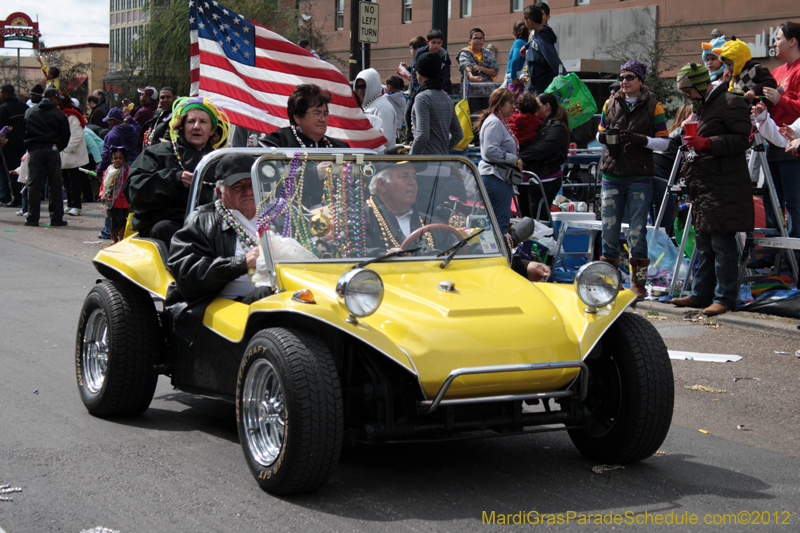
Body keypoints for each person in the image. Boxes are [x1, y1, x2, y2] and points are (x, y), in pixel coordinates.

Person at [670, 63, 753, 316]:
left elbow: (742, 139)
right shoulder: (703, 107)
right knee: (704, 243)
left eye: (687, 89)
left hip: (724, 184)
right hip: (705, 185)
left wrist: (706, 142)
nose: (686, 95)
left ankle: (725, 298)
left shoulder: (730, 102)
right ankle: (700, 294)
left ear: (699, 84)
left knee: (722, 243)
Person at [167, 153, 273, 342]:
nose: (248, 191)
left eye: (252, 184)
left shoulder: (279, 216)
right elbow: (186, 275)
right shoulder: (202, 220)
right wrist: (243, 262)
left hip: (285, 297)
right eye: (238, 186)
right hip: (226, 311)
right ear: (220, 191)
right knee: (266, 294)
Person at [596, 59, 669, 300]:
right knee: (608, 229)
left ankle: (638, 284)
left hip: (639, 176)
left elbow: (664, 142)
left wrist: (642, 139)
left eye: (629, 77)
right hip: (611, 174)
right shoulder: (610, 102)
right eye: (622, 77)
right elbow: (599, 133)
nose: (624, 82)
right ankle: (611, 282)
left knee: (637, 231)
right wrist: (606, 138)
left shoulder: (654, 106)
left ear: (640, 80)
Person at [127, 96, 230, 245]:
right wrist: (173, 179)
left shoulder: (221, 161)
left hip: (212, 227)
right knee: (167, 229)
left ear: (212, 130)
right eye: (191, 121)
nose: (196, 126)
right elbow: (134, 191)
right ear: (181, 126)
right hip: (169, 230)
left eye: (203, 122)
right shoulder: (158, 153)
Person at [751, 22, 800, 270]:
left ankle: (794, 257)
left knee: (794, 202)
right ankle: (771, 253)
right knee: (771, 200)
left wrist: (783, 100)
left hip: (794, 145)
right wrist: (761, 106)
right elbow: (772, 104)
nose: (774, 43)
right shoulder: (778, 71)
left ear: (793, 41)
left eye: (778, 38)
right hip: (772, 143)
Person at [262, 84, 349, 206]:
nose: (323, 119)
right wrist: (313, 174)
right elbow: (271, 183)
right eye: (317, 113)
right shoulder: (277, 142)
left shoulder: (340, 148)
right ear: (297, 116)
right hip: (290, 217)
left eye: (325, 114)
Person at [474, 88, 522, 233]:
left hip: (498, 177)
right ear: (500, 104)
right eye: (510, 103)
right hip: (495, 178)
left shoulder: (498, 121)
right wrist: (514, 159)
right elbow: (490, 151)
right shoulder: (494, 122)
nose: (514, 106)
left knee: (497, 221)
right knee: (498, 223)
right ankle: (496, 252)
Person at [22, 87, 70, 227]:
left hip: (35, 150)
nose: (58, 103)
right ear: (53, 98)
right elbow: (65, 135)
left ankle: (32, 218)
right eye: (57, 100)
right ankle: (56, 218)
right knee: (54, 185)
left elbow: (23, 132)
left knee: (33, 184)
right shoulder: (58, 114)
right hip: (52, 149)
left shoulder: (30, 112)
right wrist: (58, 147)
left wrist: (30, 147)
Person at [518, 92, 570, 220]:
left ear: (546, 106)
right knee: (525, 217)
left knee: (539, 218)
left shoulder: (557, 127)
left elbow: (539, 150)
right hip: (529, 176)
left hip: (545, 177)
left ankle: (545, 240)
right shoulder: (538, 124)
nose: (534, 108)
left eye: (537, 105)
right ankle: (529, 240)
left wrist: (515, 158)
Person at [409, 52, 462, 156]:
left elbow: (422, 135)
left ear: (420, 72)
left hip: (426, 164)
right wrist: (442, 151)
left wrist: (411, 160)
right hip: (443, 162)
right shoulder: (446, 98)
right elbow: (458, 134)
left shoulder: (423, 98)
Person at [651, 103, 693, 236]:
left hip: (652, 172)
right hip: (663, 174)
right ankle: (663, 252)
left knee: (656, 219)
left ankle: (656, 251)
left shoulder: (670, 132)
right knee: (664, 221)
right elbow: (690, 160)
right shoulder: (684, 133)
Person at [713, 38, 777, 103]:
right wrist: (727, 82)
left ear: (739, 60)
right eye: (726, 65)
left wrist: (754, 91)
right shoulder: (734, 74)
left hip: (756, 110)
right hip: (738, 111)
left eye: (729, 64)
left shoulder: (756, 68)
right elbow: (730, 93)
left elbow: (771, 82)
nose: (728, 68)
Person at [57, 93, 90, 216]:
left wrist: (66, 149)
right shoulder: (61, 115)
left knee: (74, 180)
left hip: (72, 153)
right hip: (64, 153)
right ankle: (70, 203)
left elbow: (77, 136)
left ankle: (76, 205)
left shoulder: (72, 116)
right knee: (66, 180)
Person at [522, 5, 563, 95]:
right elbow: (534, 41)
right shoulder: (536, 35)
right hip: (534, 82)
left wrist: (564, 76)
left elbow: (553, 59)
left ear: (529, 21)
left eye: (525, 20)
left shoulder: (542, 39)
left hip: (542, 84)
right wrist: (526, 46)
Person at [457, 28, 499, 114]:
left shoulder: (488, 53)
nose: (478, 41)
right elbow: (466, 65)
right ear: (469, 40)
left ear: (484, 40)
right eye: (475, 38)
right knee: (474, 119)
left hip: (488, 93)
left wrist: (482, 68)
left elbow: (494, 71)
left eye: (481, 38)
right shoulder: (465, 52)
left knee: (487, 118)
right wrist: (471, 77)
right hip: (472, 94)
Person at [354, 68, 397, 151]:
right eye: (358, 87)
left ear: (373, 85)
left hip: (381, 160)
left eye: (363, 86)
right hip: (369, 158)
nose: (360, 90)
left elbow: (385, 140)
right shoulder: (367, 104)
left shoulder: (382, 107)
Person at [0, 84, 28, 207]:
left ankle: (16, 198)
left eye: (1, 93)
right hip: (24, 143)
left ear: (6, 94)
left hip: (9, 144)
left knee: (11, 172)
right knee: (23, 171)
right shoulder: (24, 107)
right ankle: (24, 198)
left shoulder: (3, 108)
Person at [99, 147, 131, 243]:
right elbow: (104, 185)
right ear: (111, 159)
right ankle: (114, 239)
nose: (118, 160)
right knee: (113, 220)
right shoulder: (108, 171)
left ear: (124, 159)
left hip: (122, 200)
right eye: (115, 158)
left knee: (122, 220)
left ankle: (121, 239)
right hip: (111, 200)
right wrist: (102, 195)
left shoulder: (127, 171)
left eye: (120, 158)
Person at [411, 29, 452, 95]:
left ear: (442, 42)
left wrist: (445, 89)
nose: (436, 45)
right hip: (421, 86)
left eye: (439, 43)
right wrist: (417, 88)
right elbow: (414, 70)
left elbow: (446, 73)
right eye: (433, 43)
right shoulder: (421, 52)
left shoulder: (443, 54)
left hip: (437, 87)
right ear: (428, 42)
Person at [505, 20, 530, 100]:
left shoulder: (518, 42)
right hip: (523, 79)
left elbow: (515, 59)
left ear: (513, 33)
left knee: (513, 106)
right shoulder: (527, 43)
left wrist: (513, 77)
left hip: (515, 80)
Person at [133, 86, 158, 151]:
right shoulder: (157, 108)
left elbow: (132, 125)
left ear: (147, 98)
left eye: (142, 95)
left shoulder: (143, 112)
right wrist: (133, 110)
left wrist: (127, 115)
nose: (140, 97)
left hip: (140, 146)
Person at [385, 75, 406, 143]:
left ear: (389, 86)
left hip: (389, 131)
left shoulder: (385, 98)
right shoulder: (403, 99)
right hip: (399, 130)